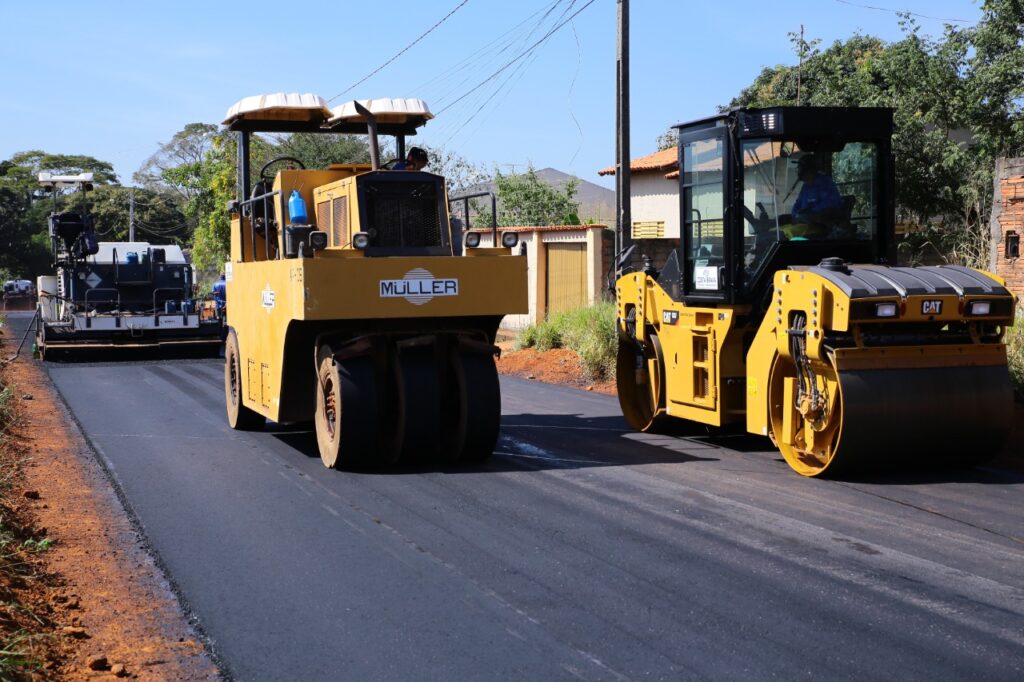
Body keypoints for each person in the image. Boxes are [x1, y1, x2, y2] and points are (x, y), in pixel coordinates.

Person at [791, 155, 843, 230]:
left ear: (808, 169)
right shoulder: (805, 187)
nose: (798, 171)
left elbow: (830, 204)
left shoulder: (825, 182)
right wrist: (795, 214)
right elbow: (798, 204)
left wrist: (810, 212)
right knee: (782, 219)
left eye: (799, 168)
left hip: (822, 224)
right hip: (805, 220)